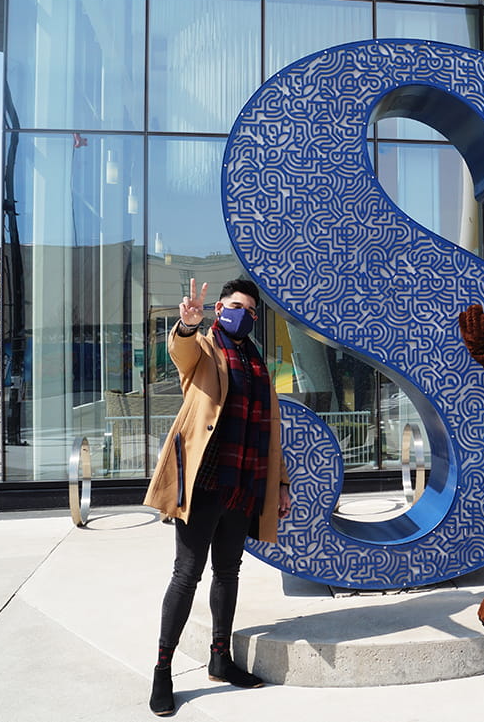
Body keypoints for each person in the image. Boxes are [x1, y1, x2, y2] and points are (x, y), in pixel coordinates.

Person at [143, 278, 291, 716]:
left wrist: (280, 484)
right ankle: (163, 671)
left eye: (247, 308)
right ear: (220, 308)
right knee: (186, 574)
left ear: (254, 316)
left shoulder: (259, 363)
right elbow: (181, 354)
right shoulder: (207, 349)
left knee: (228, 572)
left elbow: (272, 432)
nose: (240, 313)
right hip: (205, 483)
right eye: (232, 305)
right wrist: (186, 326)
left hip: (244, 483)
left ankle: (220, 658)